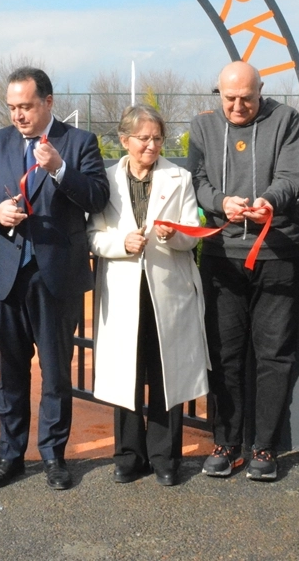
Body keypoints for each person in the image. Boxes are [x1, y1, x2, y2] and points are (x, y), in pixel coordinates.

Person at [0, 66, 109, 490]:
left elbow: (97, 196)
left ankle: (53, 456)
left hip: (55, 275)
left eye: (26, 106)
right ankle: (10, 455)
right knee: (10, 373)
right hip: (6, 273)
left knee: (56, 372)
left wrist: (62, 169)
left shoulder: (79, 142)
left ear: (48, 102)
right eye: (12, 108)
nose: (18, 116)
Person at [188, 60, 299, 481]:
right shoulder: (202, 126)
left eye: (247, 98)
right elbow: (196, 180)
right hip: (221, 255)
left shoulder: (286, 119)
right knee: (225, 354)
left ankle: (265, 447)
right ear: (218, 93)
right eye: (229, 98)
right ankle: (226, 442)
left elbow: (293, 176)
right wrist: (220, 202)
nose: (238, 106)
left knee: (274, 354)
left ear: (262, 91)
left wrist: (269, 201)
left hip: (276, 253)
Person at [88, 105, 209, 488]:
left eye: (157, 138)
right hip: (123, 289)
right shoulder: (105, 180)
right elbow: (92, 236)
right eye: (143, 138)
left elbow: (194, 231)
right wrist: (121, 243)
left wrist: (175, 236)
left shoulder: (180, 178)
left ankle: (164, 456)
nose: (152, 145)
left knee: (165, 372)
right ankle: (128, 455)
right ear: (124, 141)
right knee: (127, 371)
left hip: (167, 289)